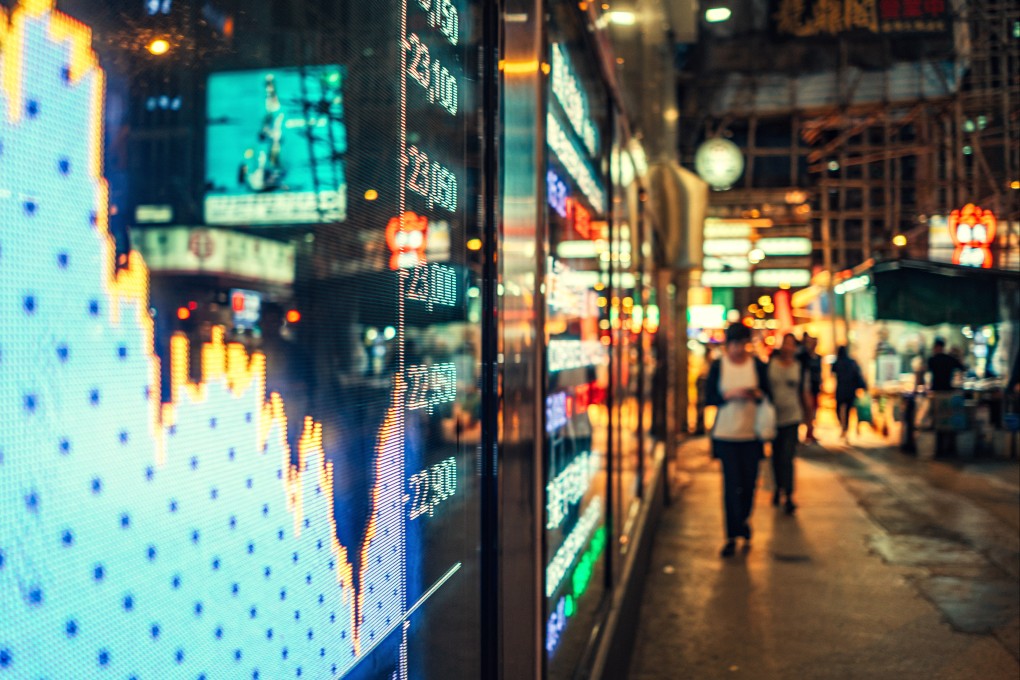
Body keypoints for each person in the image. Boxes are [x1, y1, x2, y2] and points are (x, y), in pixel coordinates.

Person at [706, 324, 771, 557]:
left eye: (742, 343)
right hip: (726, 435)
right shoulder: (719, 366)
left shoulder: (757, 366)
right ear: (727, 345)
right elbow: (709, 397)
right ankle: (731, 535)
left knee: (750, 484)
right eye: (734, 344)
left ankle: (743, 520)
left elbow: (768, 395)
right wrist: (729, 395)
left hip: (752, 435)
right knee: (731, 485)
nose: (738, 349)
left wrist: (756, 394)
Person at [769, 334, 803, 514]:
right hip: (773, 418)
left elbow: (804, 391)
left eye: (791, 344)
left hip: (792, 417)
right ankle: (777, 487)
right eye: (786, 344)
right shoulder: (771, 364)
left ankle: (788, 494)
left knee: (788, 456)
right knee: (776, 456)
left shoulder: (799, 366)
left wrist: (809, 419)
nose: (788, 347)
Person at [927, 337, 965, 457]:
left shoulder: (932, 360)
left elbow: (924, 372)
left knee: (938, 421)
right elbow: (963, 368)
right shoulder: (950, 359)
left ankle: (939, 449)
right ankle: (950, 448)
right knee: (949, 420)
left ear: (937, 347)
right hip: (949, 393)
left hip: (937, 393)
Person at [833, 345, 865, 442]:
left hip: (841, 390)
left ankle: (843, 427)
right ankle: (845, 428)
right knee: (848, 411)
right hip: (850, 390)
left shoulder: (837, 362)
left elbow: (833, 373)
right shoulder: (852, 362)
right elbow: (858, 374)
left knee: (838, 409)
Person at [797, 334, 822, 443]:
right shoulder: (803, 356)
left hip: (814, 388)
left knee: (812, 412)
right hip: (804, 388)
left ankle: (810, 432)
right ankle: (803, 433)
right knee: (805, 411)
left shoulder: (818, 357)